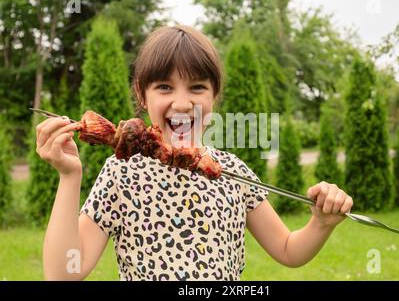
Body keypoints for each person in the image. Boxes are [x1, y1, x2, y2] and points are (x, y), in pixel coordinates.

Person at [36, 25, 353, 281]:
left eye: (197, 87)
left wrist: (321, 223)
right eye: (164, 87)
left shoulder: (232, 171)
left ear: (214, 96)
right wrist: (69, 175)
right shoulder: (121, 172)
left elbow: (287, 250)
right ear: (141, 95)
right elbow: (63, 273)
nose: (183, 102)